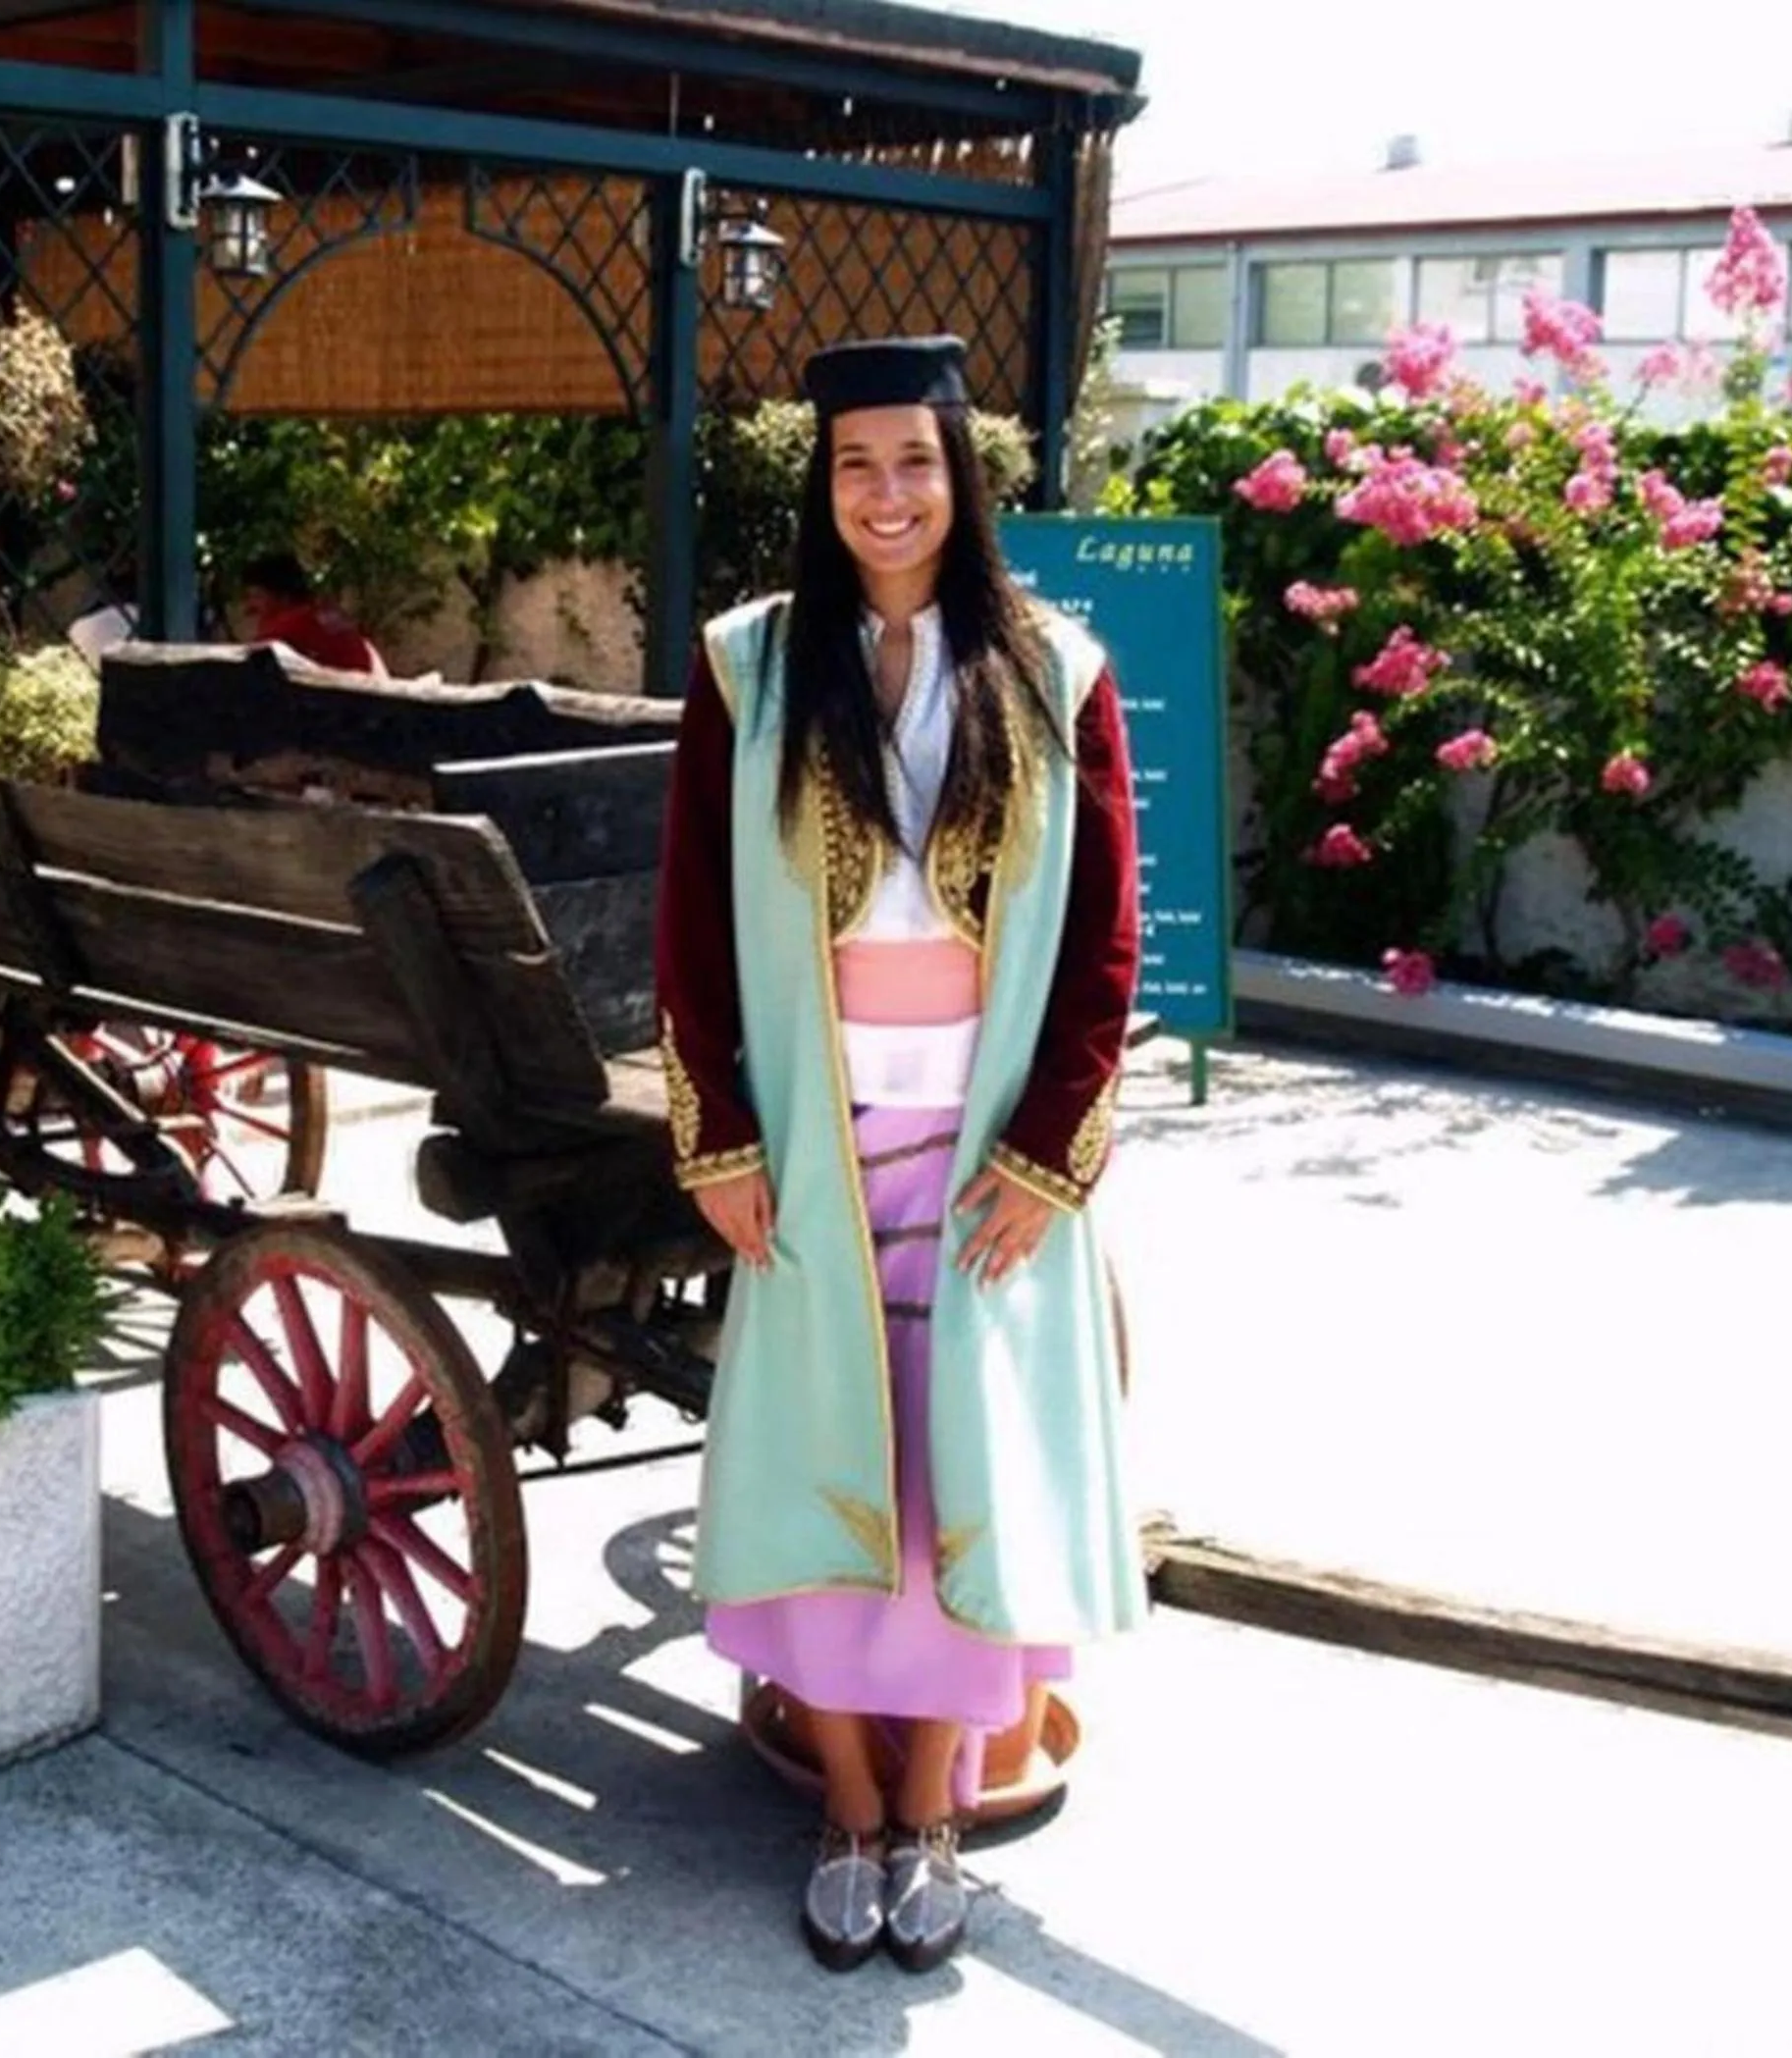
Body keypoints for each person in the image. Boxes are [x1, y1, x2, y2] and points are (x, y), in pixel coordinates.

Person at [654, 336, 1144, 1975]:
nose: (885, 495)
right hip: (809, 1124)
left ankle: (936, 1800)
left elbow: (1101, 942)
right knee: (822, 1462)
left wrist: (1050, 1149)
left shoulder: (1055, 668)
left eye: (915, 463)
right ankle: (846, 1804)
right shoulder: (748, 664)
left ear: (963, 477)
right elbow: (691, 925)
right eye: (856, 463)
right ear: (823, 477)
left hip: (985, 1132)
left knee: (956, 1486)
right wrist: (717, 1129)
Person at [234, 551, 387, 675]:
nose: (249, 607)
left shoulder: (286, 627)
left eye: (256, 597)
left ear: (283, 597)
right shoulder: (329, 615)